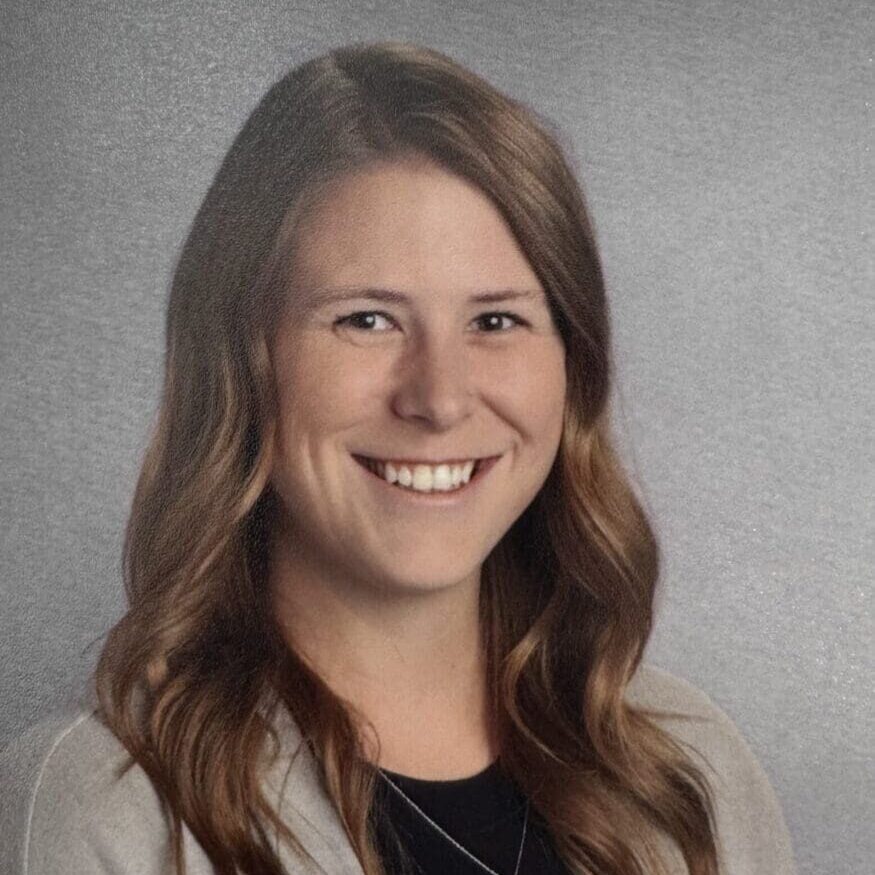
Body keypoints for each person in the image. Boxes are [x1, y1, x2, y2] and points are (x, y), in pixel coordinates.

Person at [0, 42, 797, 875]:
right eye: (367, 319)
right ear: (240, 360)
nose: (439, 398)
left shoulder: (688, 775)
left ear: (573, 364)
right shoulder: (105, 810)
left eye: (494, 321)